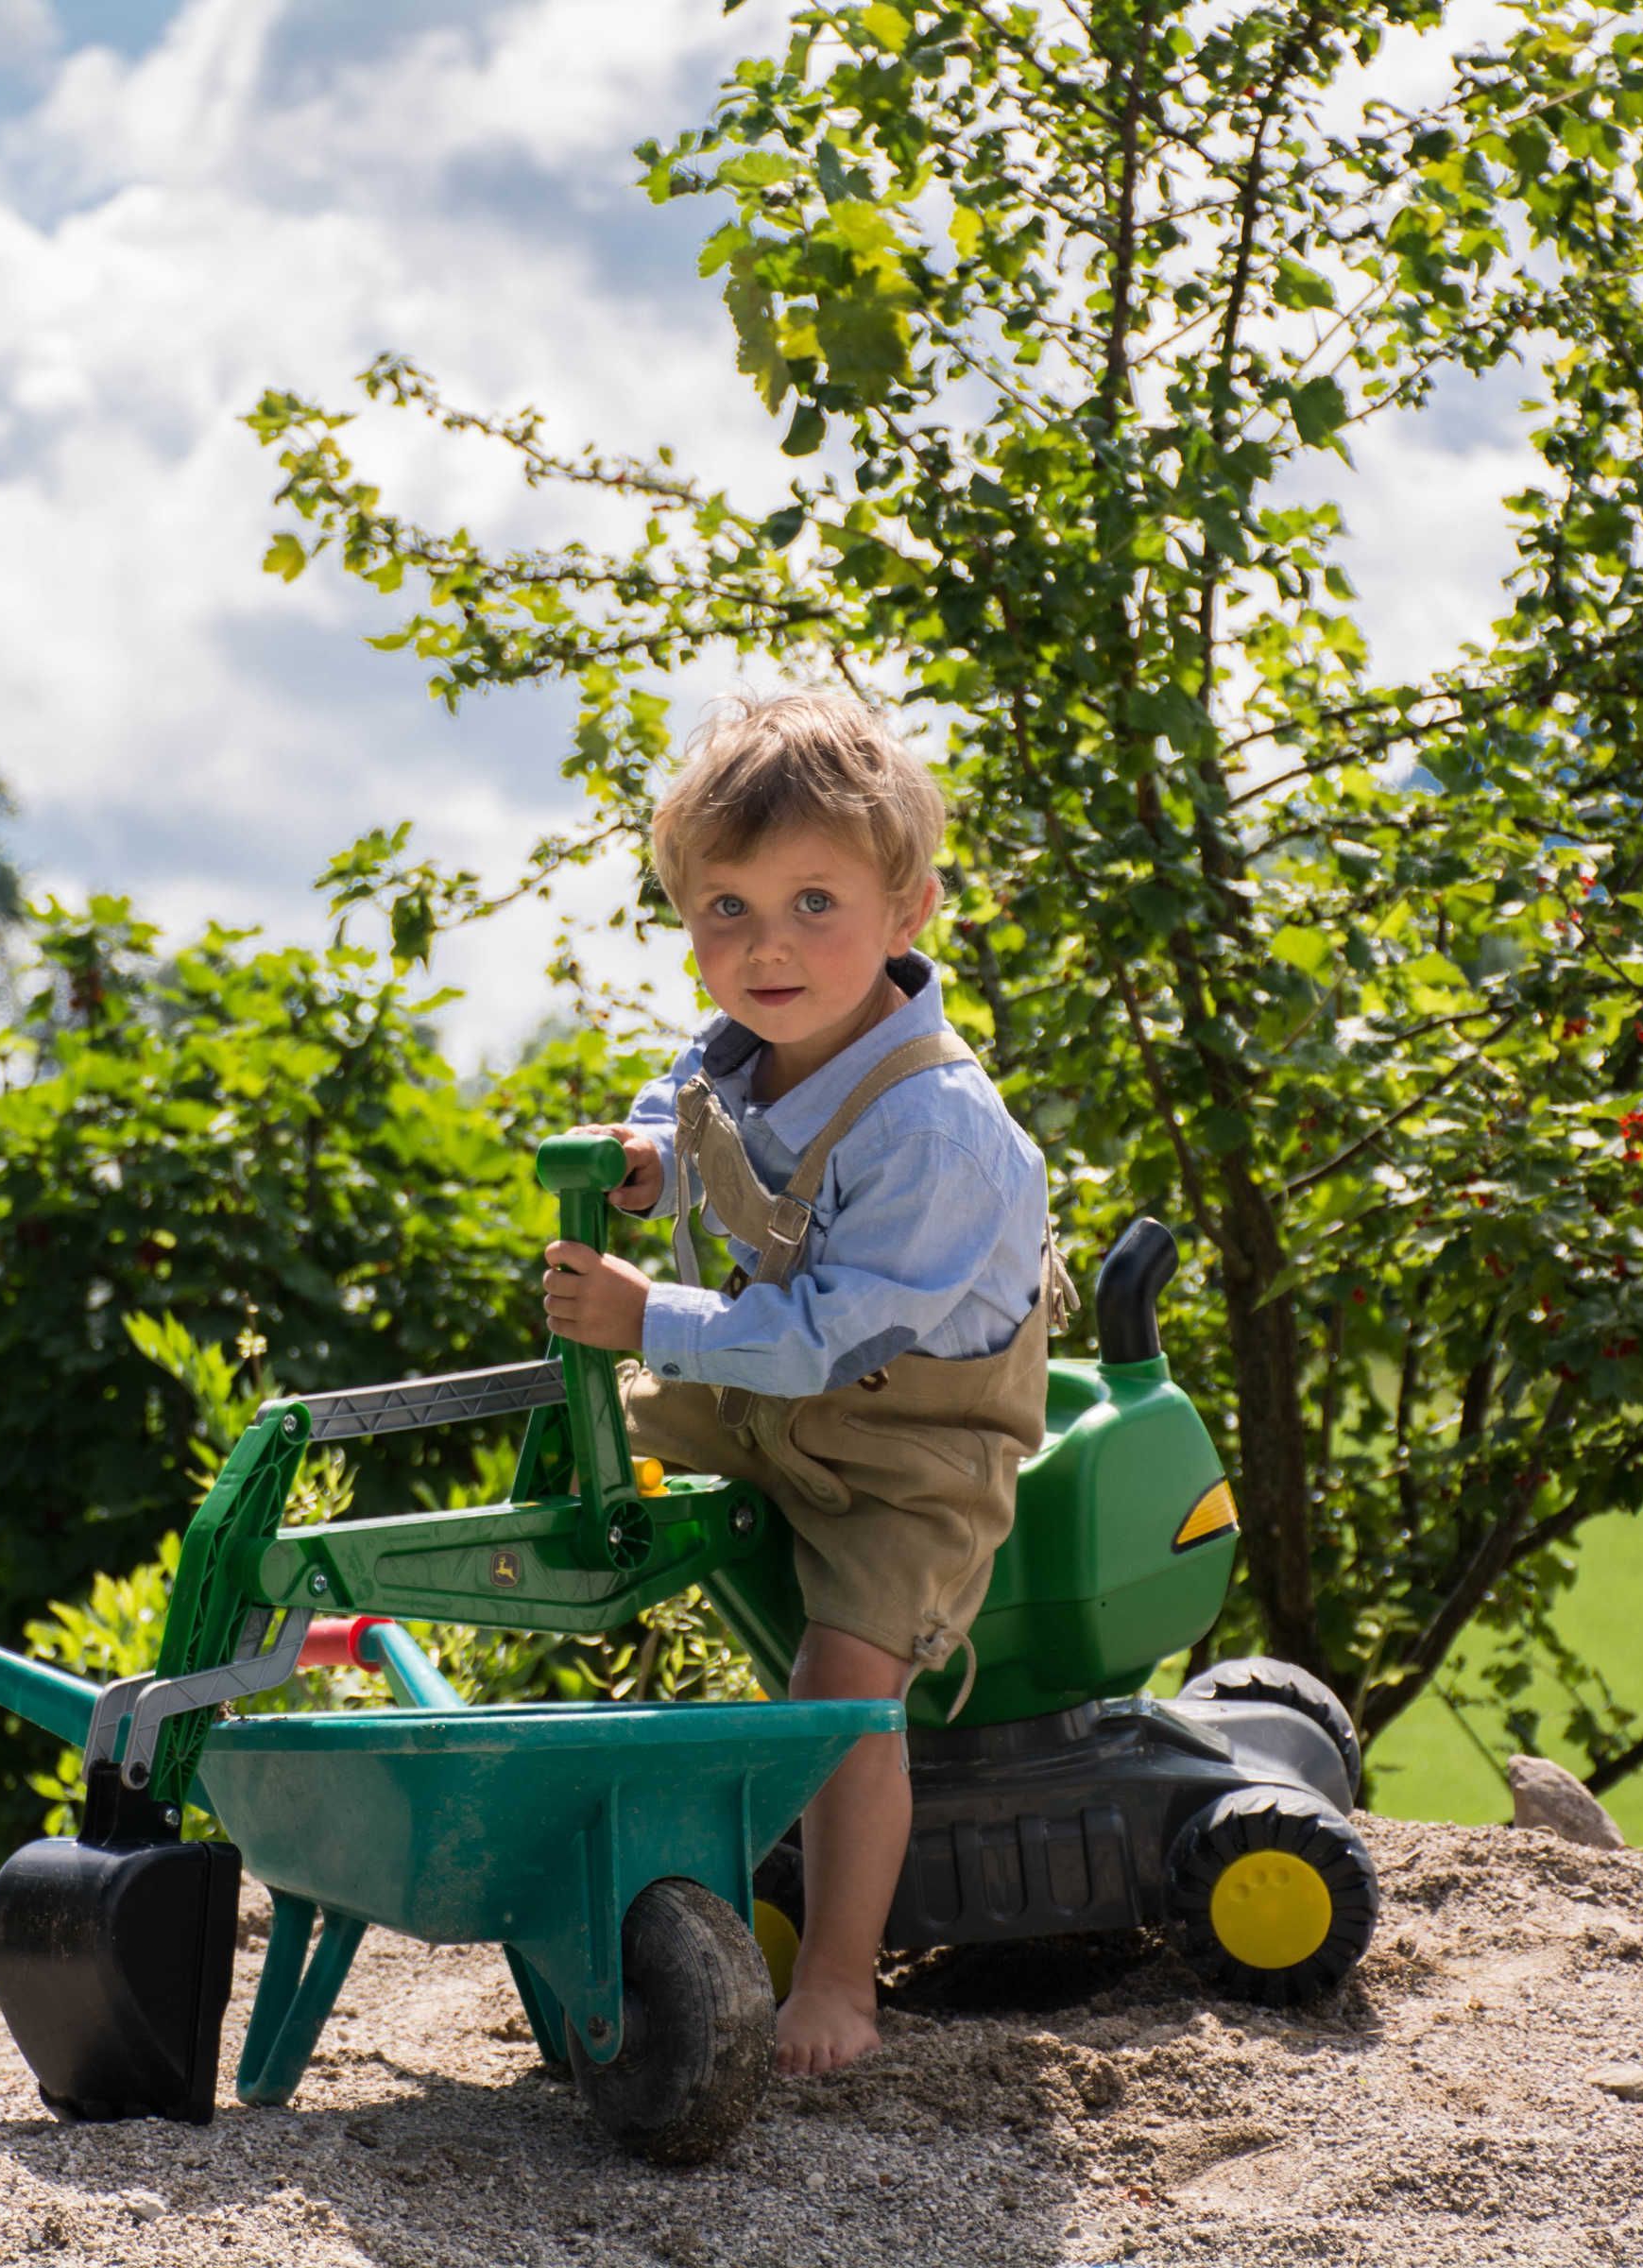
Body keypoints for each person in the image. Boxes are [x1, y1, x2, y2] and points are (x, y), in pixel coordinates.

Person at [539, 689, 1069, 2076]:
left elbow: (829, 1331)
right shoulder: (741, 1050)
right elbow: (684, 1128)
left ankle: (839, 1980)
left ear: (908, 913)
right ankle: (584, 1689)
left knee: (843, 1684)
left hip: (909, 1438)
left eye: (813, 904)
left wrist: (649, 1315)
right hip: (773, 1382)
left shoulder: (935, 1129)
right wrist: (645, 1168)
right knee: (582, 1439)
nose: (765, 946)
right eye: (727, 909)